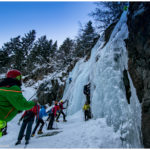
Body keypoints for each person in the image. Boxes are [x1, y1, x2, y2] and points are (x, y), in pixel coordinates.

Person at [0, 69, 36, 138]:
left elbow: (5, 103)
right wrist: (33, 103)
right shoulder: (13, 88)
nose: (21, 80)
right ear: (15, 78)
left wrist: (16, 110)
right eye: (19, 78)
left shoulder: (2, 87)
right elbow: (23, 105)